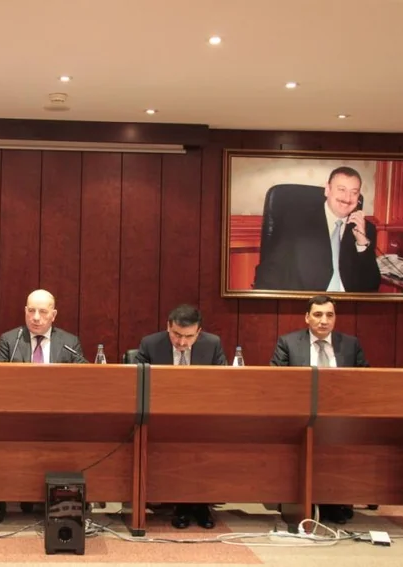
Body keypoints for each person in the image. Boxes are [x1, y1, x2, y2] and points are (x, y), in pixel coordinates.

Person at [0, 289, 86, 525]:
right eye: (31, 311)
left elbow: (83, 378)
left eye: (43, 312)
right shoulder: (10, 340)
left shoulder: (69, 342)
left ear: (54, 315)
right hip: (16, 412)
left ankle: (62, 500)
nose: (36, 318)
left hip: (57, 414)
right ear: (25, 312)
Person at [270, 294, 369, 524]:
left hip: (341, 415)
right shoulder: (288, 343)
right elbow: (276, 380)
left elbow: (365, 379)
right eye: (318, 314)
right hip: (298, 415)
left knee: (337, 447)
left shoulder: (350, 344)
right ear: (307, 317)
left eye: (329, 315)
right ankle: (302, 502)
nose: (324, 321)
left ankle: (333, 502)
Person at [135, 304, 227, 530]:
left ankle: (200, 503)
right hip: (161, 415)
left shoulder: (212, 344)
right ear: (168, 327)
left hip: (202, 415)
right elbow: (137, 383)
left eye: (189, 336)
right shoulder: (150, 344)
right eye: (177, 334)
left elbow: (223, 382)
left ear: (199, 332)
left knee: (207, 441)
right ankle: (181, 504)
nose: (182, 342)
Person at [253, 166, 381, 292]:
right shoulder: (297, 222)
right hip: (308, 301)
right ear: (327, 190)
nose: (347, 198)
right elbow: (271, 268)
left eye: (354, 192)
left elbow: (372, 285)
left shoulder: (365, 229)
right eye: (341, 189)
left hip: (348, 303)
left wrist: (362, 244)